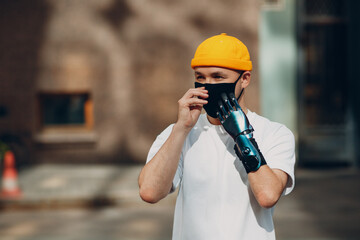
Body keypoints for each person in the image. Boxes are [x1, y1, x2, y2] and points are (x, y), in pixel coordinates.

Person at [138, 33, 296, 240]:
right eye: (200, 77)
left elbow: (267, 196)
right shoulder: (178, 133)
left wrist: (242, 136)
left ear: (245, 79)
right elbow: (150, 192)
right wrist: (181, 128)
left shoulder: (275, 133)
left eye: (218, 77)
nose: (208, 85)